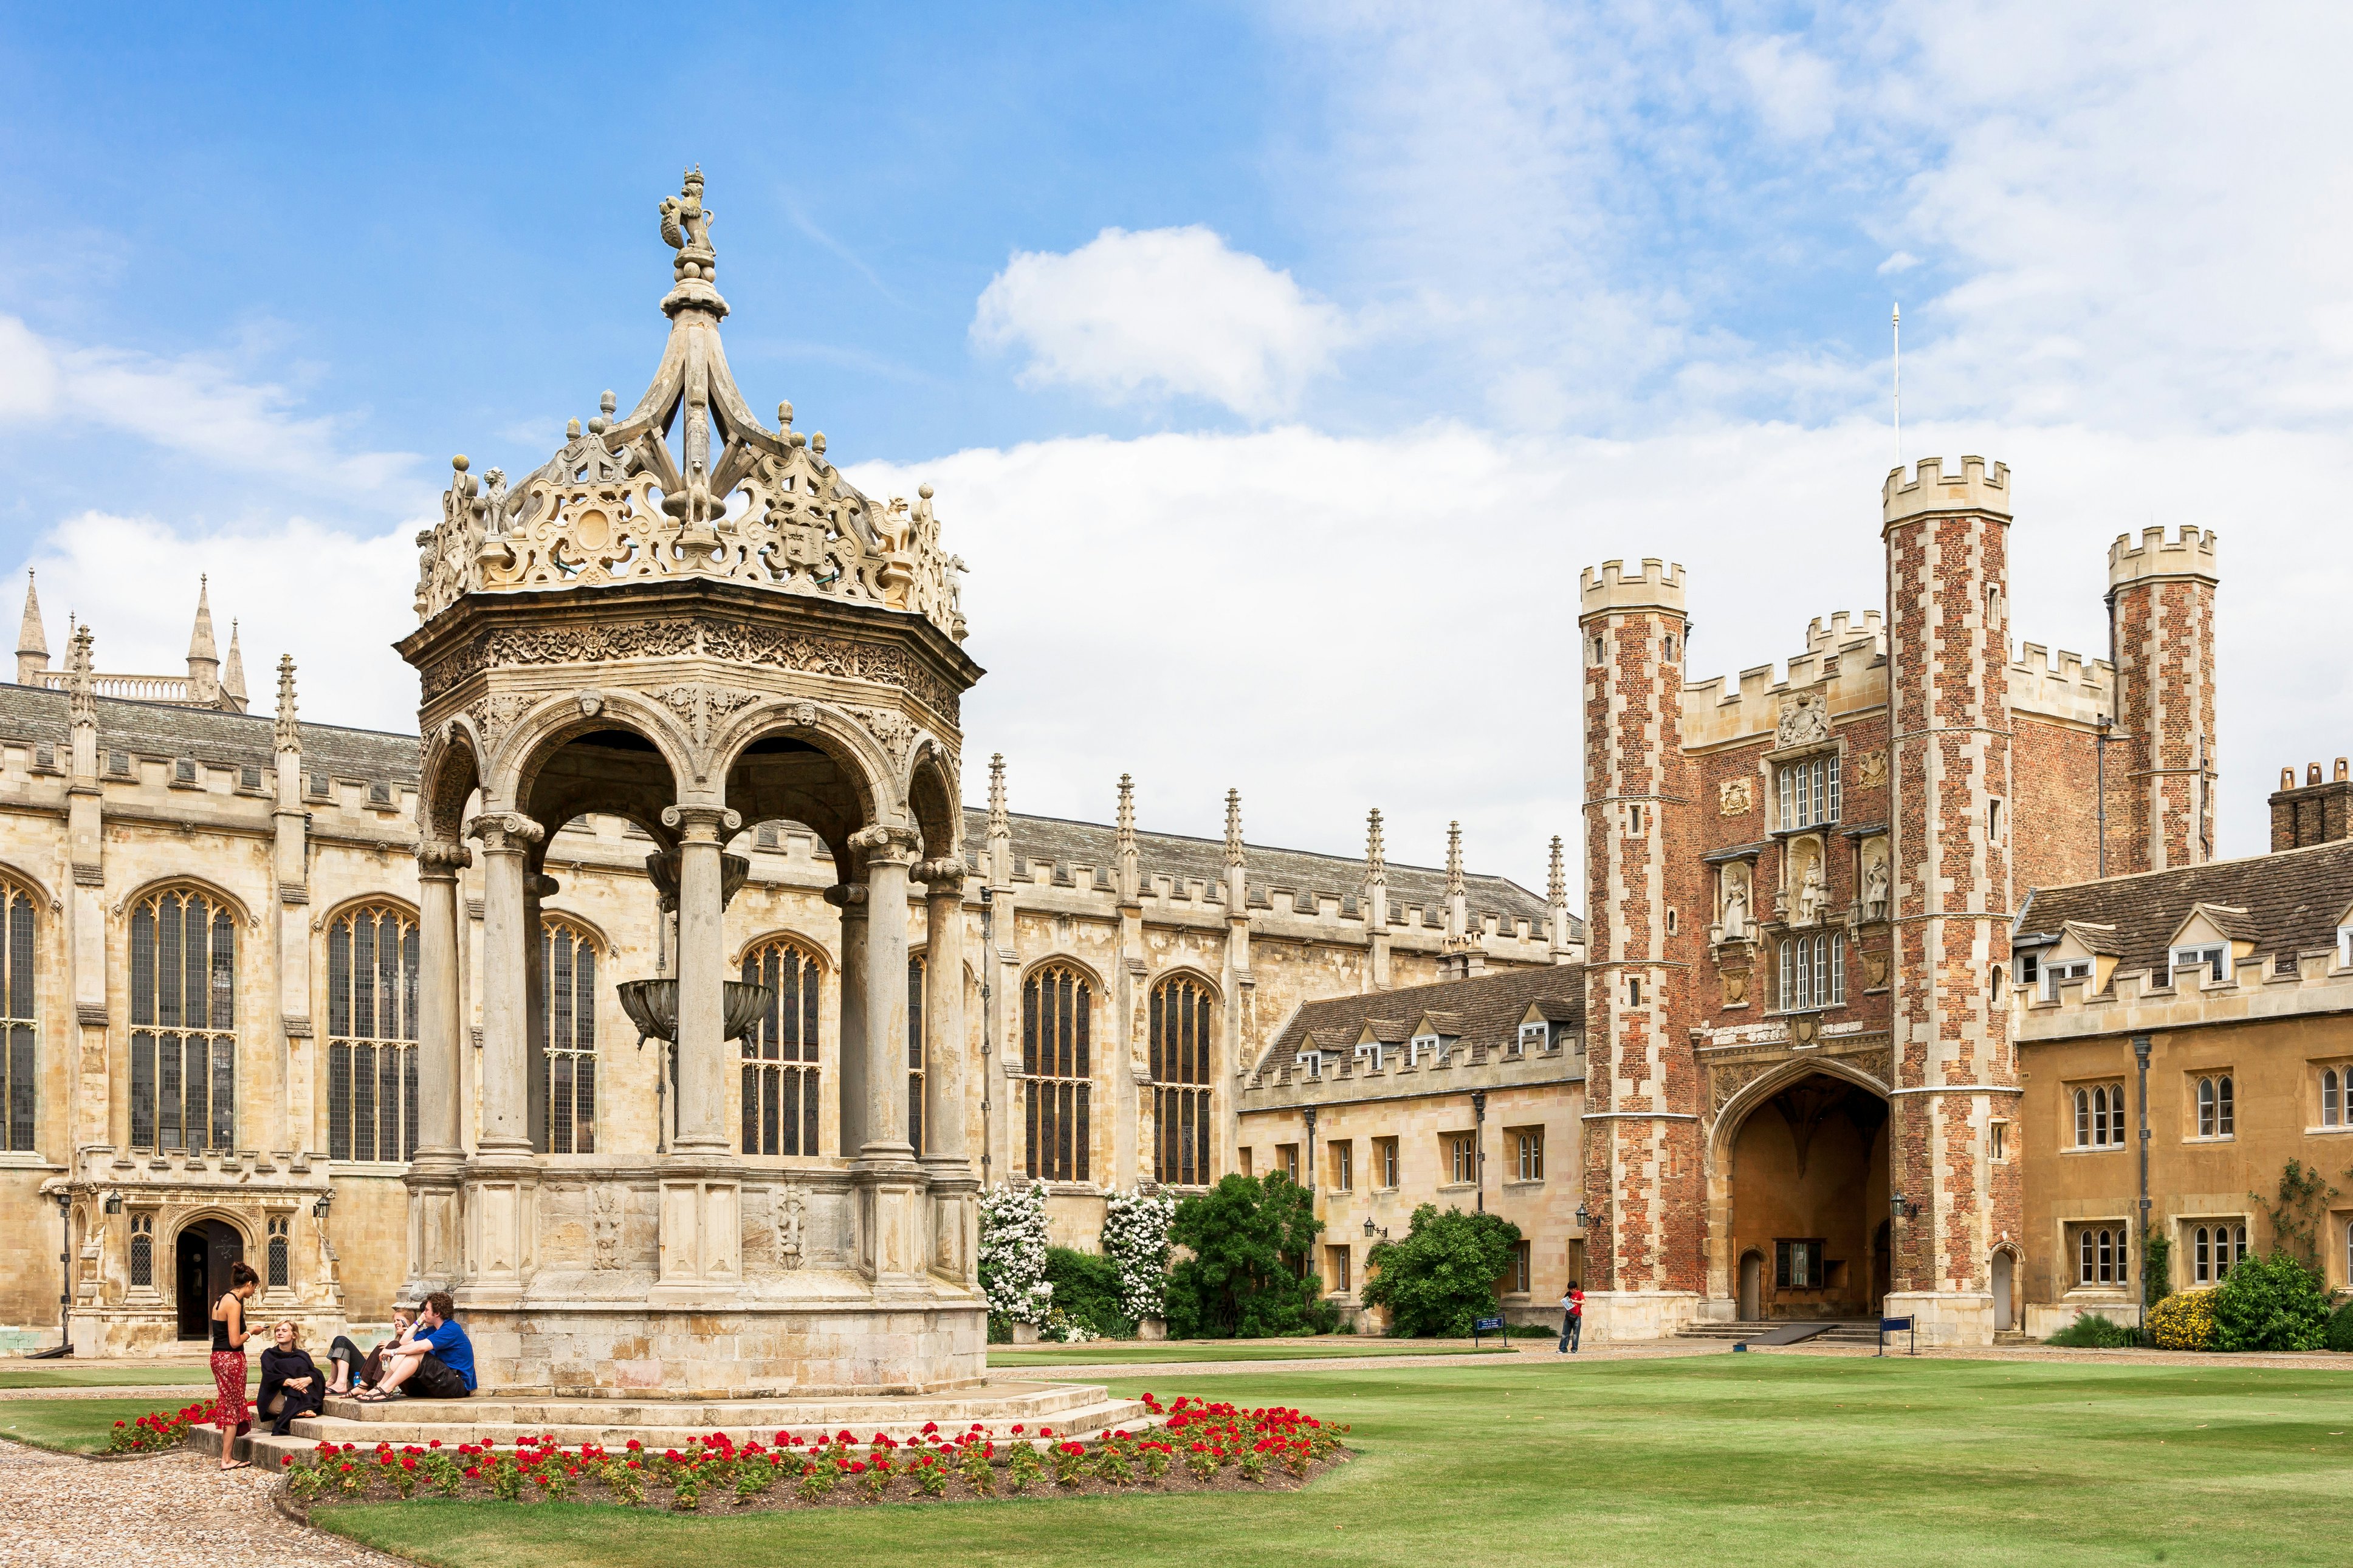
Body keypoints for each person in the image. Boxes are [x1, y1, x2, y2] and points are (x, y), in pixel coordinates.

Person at [358, 1290, 474, 1402]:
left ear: (437, 1313)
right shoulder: (431, 1330)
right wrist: (419, 1321)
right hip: (436, 1382)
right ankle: (382, 1386)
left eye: (427, 1310)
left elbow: (422, 1347)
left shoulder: (451, 1329)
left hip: (456, 1385)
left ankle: (386, 1389)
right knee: (403, 1349)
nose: (424, 1313)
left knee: (416, 1353)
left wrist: (393, 1352)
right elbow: (403, 1342)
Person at [210, 1261, 261, 1469]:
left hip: (218, 1358)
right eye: (255, 1288)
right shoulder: (234, 1303)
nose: (254, 1292)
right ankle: (227, 1459)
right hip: (230, 1358)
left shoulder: (221, 1299)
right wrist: (252, 1332)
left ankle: (228, 1456)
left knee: (228, 1404)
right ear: (248, 1284)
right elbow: (234, 1341)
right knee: (231, 1407)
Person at [257, 1320, 325, 1437]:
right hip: (275, 1398)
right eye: (277, 1331)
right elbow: (269, 1376)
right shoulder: (268, 1354)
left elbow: (315, 1372)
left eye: (284, 1331)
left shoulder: (302, 1355)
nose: (279, 1333)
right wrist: (289, 1382)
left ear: (294, 1335)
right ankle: (302, 1408)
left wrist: (309, 1379)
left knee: (311, 1376)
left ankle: (299, 1408)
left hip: (296, 1393)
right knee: (285, 1369)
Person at [326, 1307, 413, 1394]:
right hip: (367, 1376)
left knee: (343, 1342)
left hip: (373, 1383)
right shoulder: (395, 1341)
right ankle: (333, 1381)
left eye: (399, 1320)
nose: (395, 1323)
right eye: (394, 1321)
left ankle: (344, 1384)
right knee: (339, 1340)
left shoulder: (412, 1341)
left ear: (409, 1321)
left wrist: (392, 1347)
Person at [1558, 1281, 1585, 1355]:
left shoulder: (1580, 1294)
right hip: (1569, 1315)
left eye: (1572, 1290)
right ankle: (1563, 1348)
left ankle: (1574, 1349)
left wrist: (1574, 1301)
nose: (1571, 1291)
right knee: (1565, 1333)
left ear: (1576, 1288)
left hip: (1577, 1316)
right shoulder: (1569, 1295)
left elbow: (1583, 1302)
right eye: (1570, 1290)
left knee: (1576, 1333)